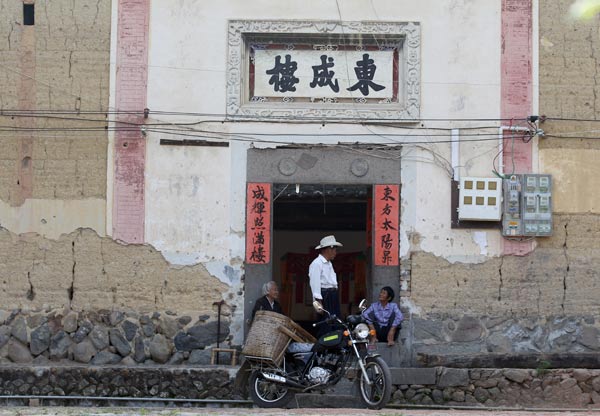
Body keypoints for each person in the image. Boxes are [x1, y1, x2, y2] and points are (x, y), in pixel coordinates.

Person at [309, 235, 343, 319]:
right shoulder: (317, 263)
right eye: (334, 250)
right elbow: (315, 284)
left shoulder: (329, 263)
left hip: (332, 295)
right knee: (326, 323)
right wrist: (318, 302)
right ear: (328, 249)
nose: (335, 252)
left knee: (336, 322)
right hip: (325, 296)